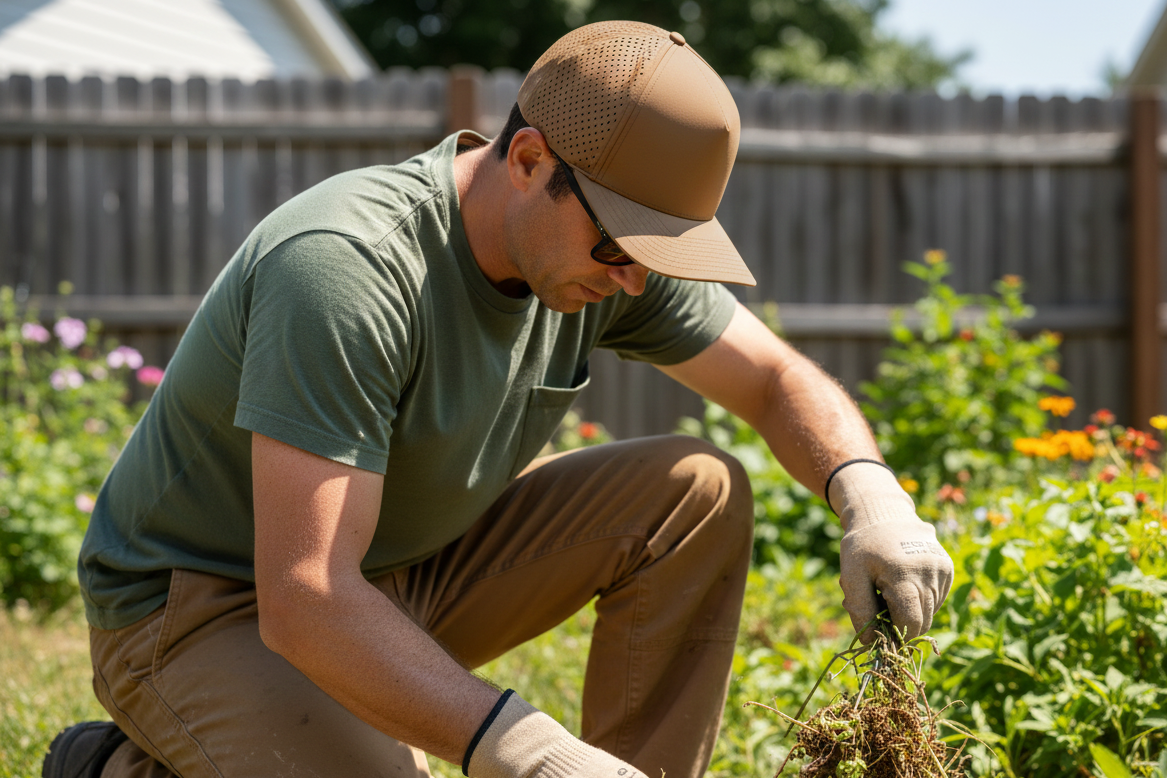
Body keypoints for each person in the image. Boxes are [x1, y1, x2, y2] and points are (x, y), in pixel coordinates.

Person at [43, 20, 953, 778]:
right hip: (208, 605)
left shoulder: (602, 241)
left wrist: (868, 494)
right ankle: (122, 768)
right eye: (620, 248)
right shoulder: (347, 266)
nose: (635, 281)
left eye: (658, 254)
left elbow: (774, 377)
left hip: (397, 574)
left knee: (696, 490)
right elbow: (307, 595)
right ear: (526, 159)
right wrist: (527, 750)